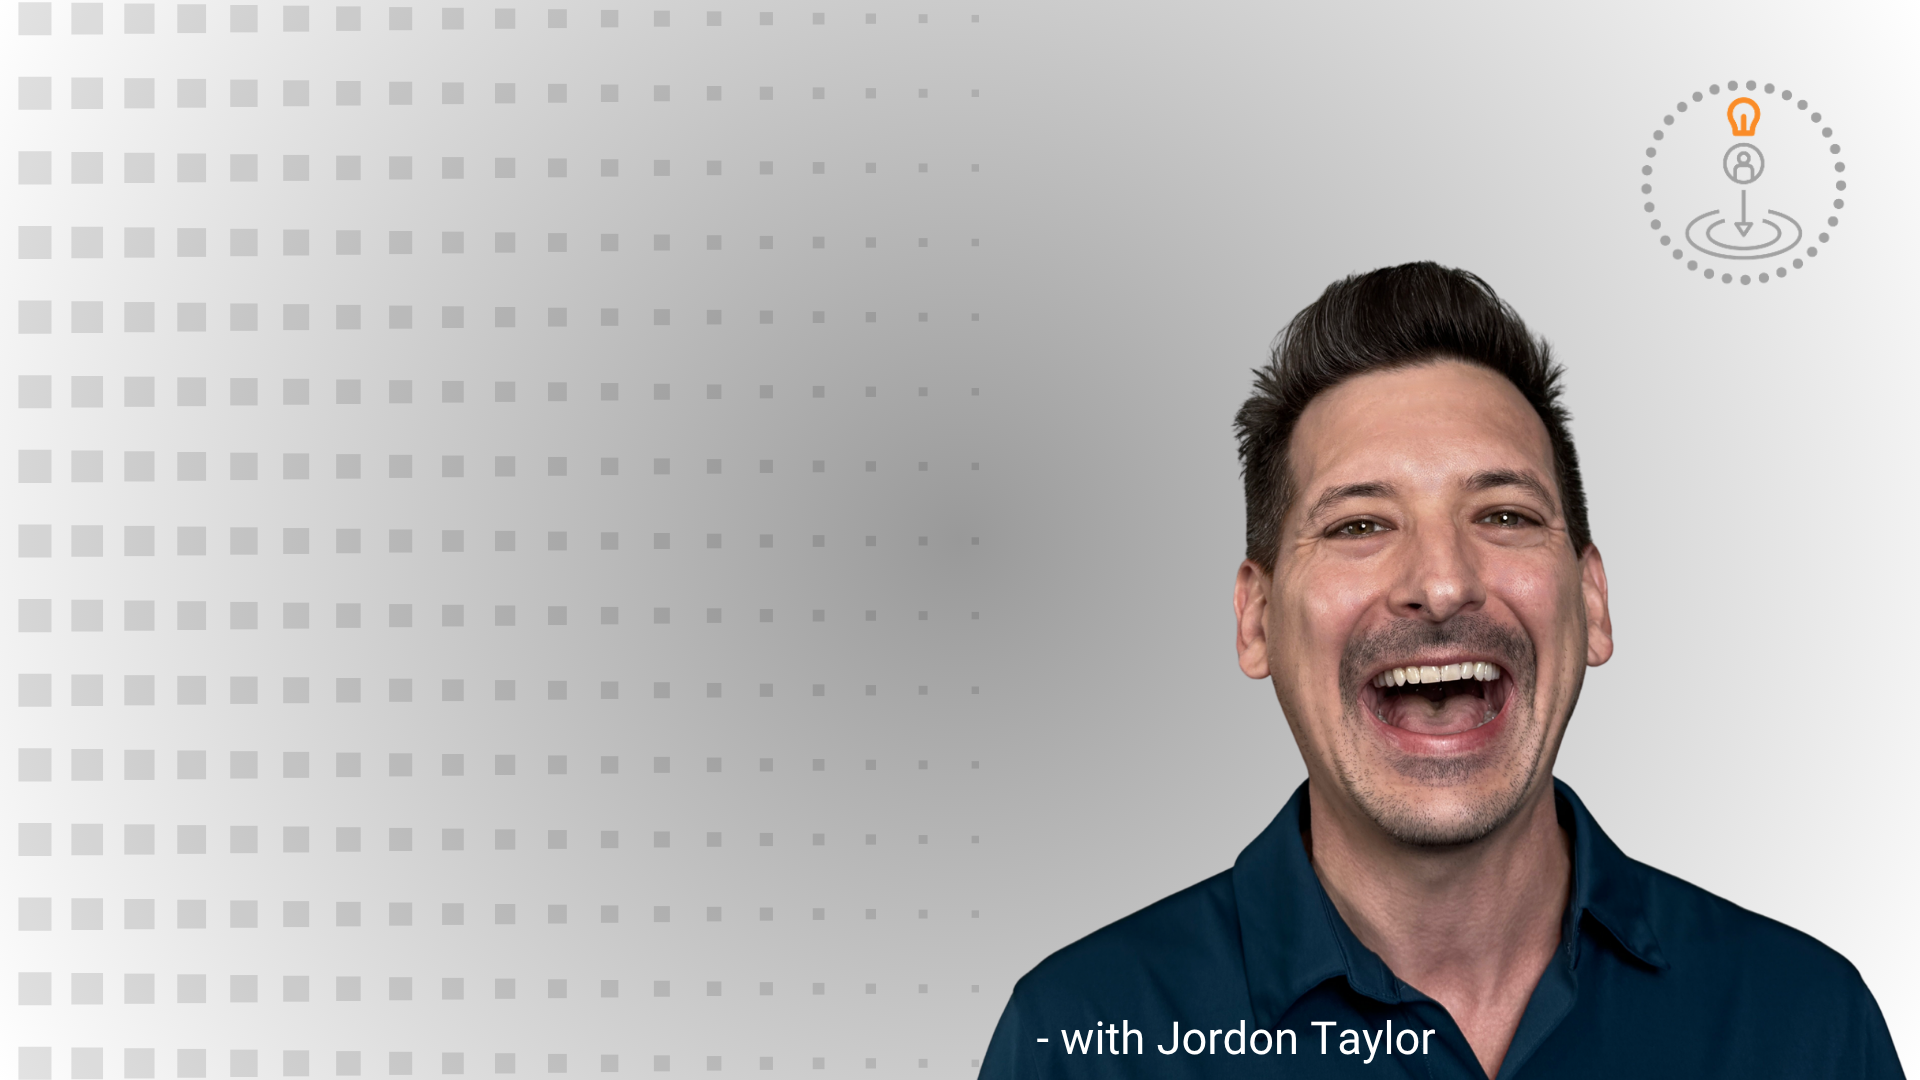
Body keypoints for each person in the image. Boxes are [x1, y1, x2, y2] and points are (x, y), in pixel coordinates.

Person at [976, 262, 1904, 1079]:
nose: (1443, 581)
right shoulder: (1084, 1037)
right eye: (1358, 525)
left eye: (1503, 515)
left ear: (1592, 601)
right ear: (1256, 621)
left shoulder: (1806, 1023)